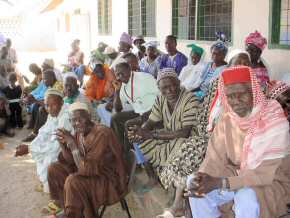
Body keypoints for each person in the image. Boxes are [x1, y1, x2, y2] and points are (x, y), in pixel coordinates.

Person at [186, 66, 290, 218]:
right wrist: (202, 178)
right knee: (195, 186)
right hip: (235, 175)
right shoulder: (227, 119)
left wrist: (221, 183)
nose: (236, 101)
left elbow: (265, 174)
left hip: (270, 182)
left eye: (242, 94)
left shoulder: (273, 120)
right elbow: (213, 159)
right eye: (230, 96)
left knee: (246, 196)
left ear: (254, 92)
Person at [45, 102, 128, 217]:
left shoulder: (102, 133)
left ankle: (72, 214)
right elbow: (70, 161)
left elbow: (86, 169)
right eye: (74, 120)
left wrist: (72, 145)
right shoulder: (80, 133)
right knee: (54, 169)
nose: (77, 123)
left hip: (110, 181)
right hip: (94, 173)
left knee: (73, 181)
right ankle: (71, 210)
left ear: (88, 116)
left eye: (81, 118)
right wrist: (63, 144)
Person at [157, 79, 219, 218]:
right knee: (186, 150)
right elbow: (202, 119)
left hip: (221, 140)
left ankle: (178, 206)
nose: (169, 91)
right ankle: (179, 205)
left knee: (190, 150)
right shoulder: (215, 91)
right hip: (205, 135)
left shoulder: (189, 99)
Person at [128, 68, 198, 179]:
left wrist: (151, 134)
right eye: (165, 88)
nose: (170, 90)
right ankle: (162, 169)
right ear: (159, 89)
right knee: (142, 141)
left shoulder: (190, 99)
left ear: (179, 83)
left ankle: (170, 171)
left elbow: (185, 133)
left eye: (173, 85)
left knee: (181, 145)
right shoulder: (160, 98)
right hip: (169, 135)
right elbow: (151, 121)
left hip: (188, 138)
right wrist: (140, 132)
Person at [15, 89, 73, 193]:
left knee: (49, 159)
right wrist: (31, 146)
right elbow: (43, 132)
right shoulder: (54, 113)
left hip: (69, 150)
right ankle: (49, 185)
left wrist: (29, 149)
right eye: (47, 105)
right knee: (39, 152)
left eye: (53, 105)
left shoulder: (65, 117)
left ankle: (58, 195)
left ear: (61, 102)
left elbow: (56, 147)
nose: (49, 109)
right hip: (58, 146)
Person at [111, 62, 159, 155]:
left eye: (122, 73)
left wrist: (155, 110)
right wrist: (117, 91)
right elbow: (118, 108)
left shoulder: (144, 78)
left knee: (129, 124)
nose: (120, 76)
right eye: (117, 74)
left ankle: (133, 154)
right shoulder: (122, 85)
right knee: (116, 117)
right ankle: (121, 149)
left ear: (129, 70)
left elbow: (161, 94)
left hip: (154, 110)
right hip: (140, 112)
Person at [22, 70, 63, 142]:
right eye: (43, 79)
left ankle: (35, 133)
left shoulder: (58, 86)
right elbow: (41, 95)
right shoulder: (50, 85)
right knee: (36, 107)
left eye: (45, 79)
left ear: (52, 77)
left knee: (41, 109)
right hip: (51, 106)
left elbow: (50, 104)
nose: (43, 81)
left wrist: (35, 100)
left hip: (58, 110)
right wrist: (31, 98)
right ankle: (36, 130)